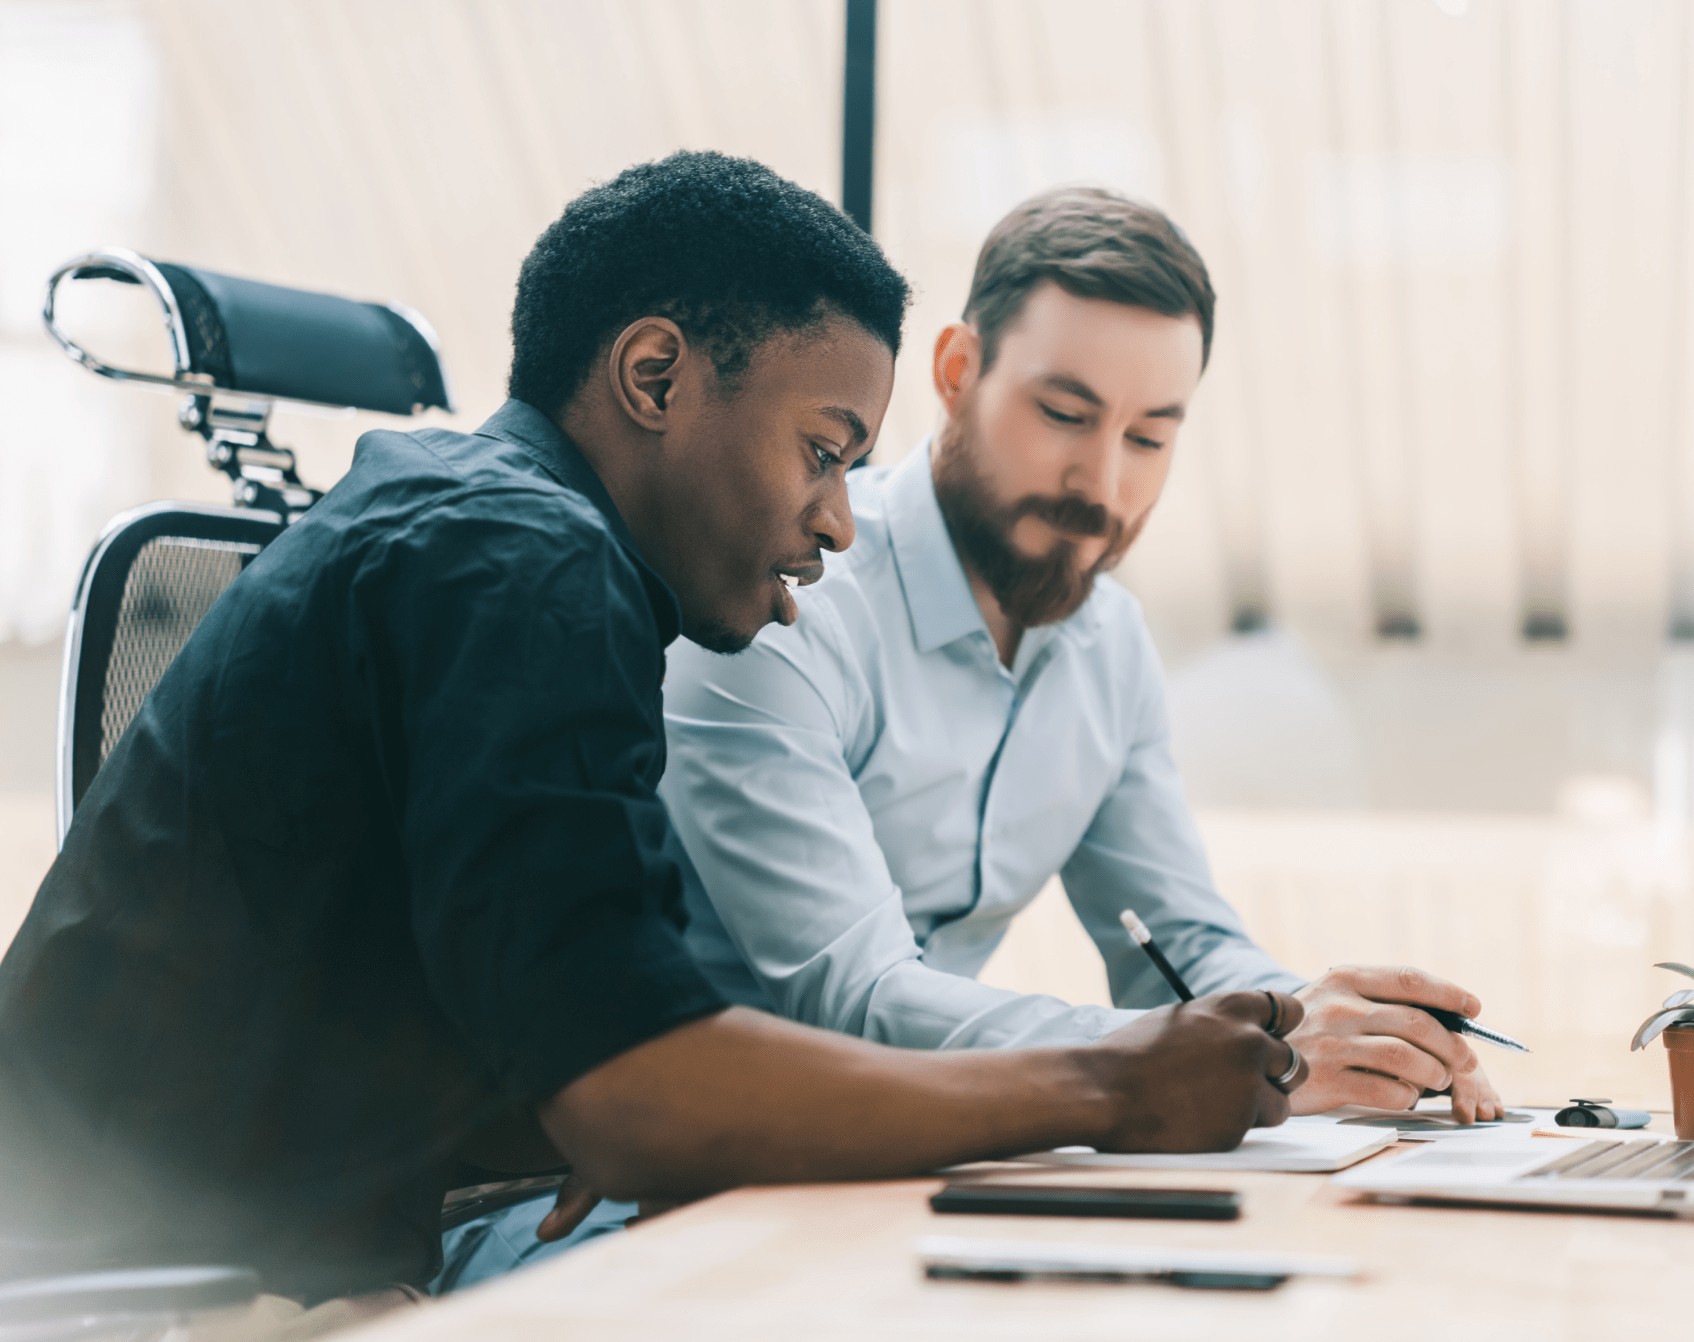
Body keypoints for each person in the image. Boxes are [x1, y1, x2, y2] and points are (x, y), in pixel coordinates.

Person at [0, 156, 1307, 1329]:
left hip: (228, 1248)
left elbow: (573, 1031)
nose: (839, 521)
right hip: (143, 1290)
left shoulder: (483, 525)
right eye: (820, 450)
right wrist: (1108, 1086)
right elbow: (636, 1095)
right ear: (653, 378)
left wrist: (593, 1082)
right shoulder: (530, 566)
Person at [660, 186, 1503, 1128]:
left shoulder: (1109, 644)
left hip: (920, 1153)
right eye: (1065, 414)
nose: (1102, 485)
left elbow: (1177, 944)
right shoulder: (783, 600)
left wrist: (1344, 1034)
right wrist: (1233, 1057)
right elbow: (854, 999)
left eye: (1149, 436)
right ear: (955, 372)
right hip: (692, 1162)